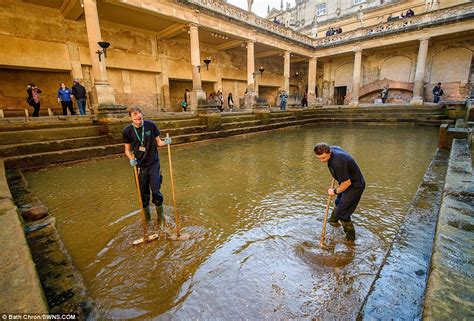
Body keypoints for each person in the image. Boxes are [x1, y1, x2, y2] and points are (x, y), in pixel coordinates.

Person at [122, 106, 172, 226]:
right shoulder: (127, 131)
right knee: (143, 194)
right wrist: (131, 159)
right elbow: (127, 150)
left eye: (140, 118)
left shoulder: (151, 125)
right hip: (139, 166)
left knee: (156, 192)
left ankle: (161, 218)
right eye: (136, 119)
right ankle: (148, 220)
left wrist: (166, 142)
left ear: (142, 115)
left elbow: (159, 142)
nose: (139, 122)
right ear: (131, 118)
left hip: (153, 163)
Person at [314, 143, 365, 242]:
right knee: (338, 203)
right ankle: (333, 221)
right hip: (345, 182)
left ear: (329, 152)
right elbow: (339, 147)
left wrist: (334, 191)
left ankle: (350, 240)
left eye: (324, 158)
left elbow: (347, 183)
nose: (322, 160)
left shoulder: (337, 163)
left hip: (355, 186)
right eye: (319, 158)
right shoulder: (333, 149)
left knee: (343, 213)